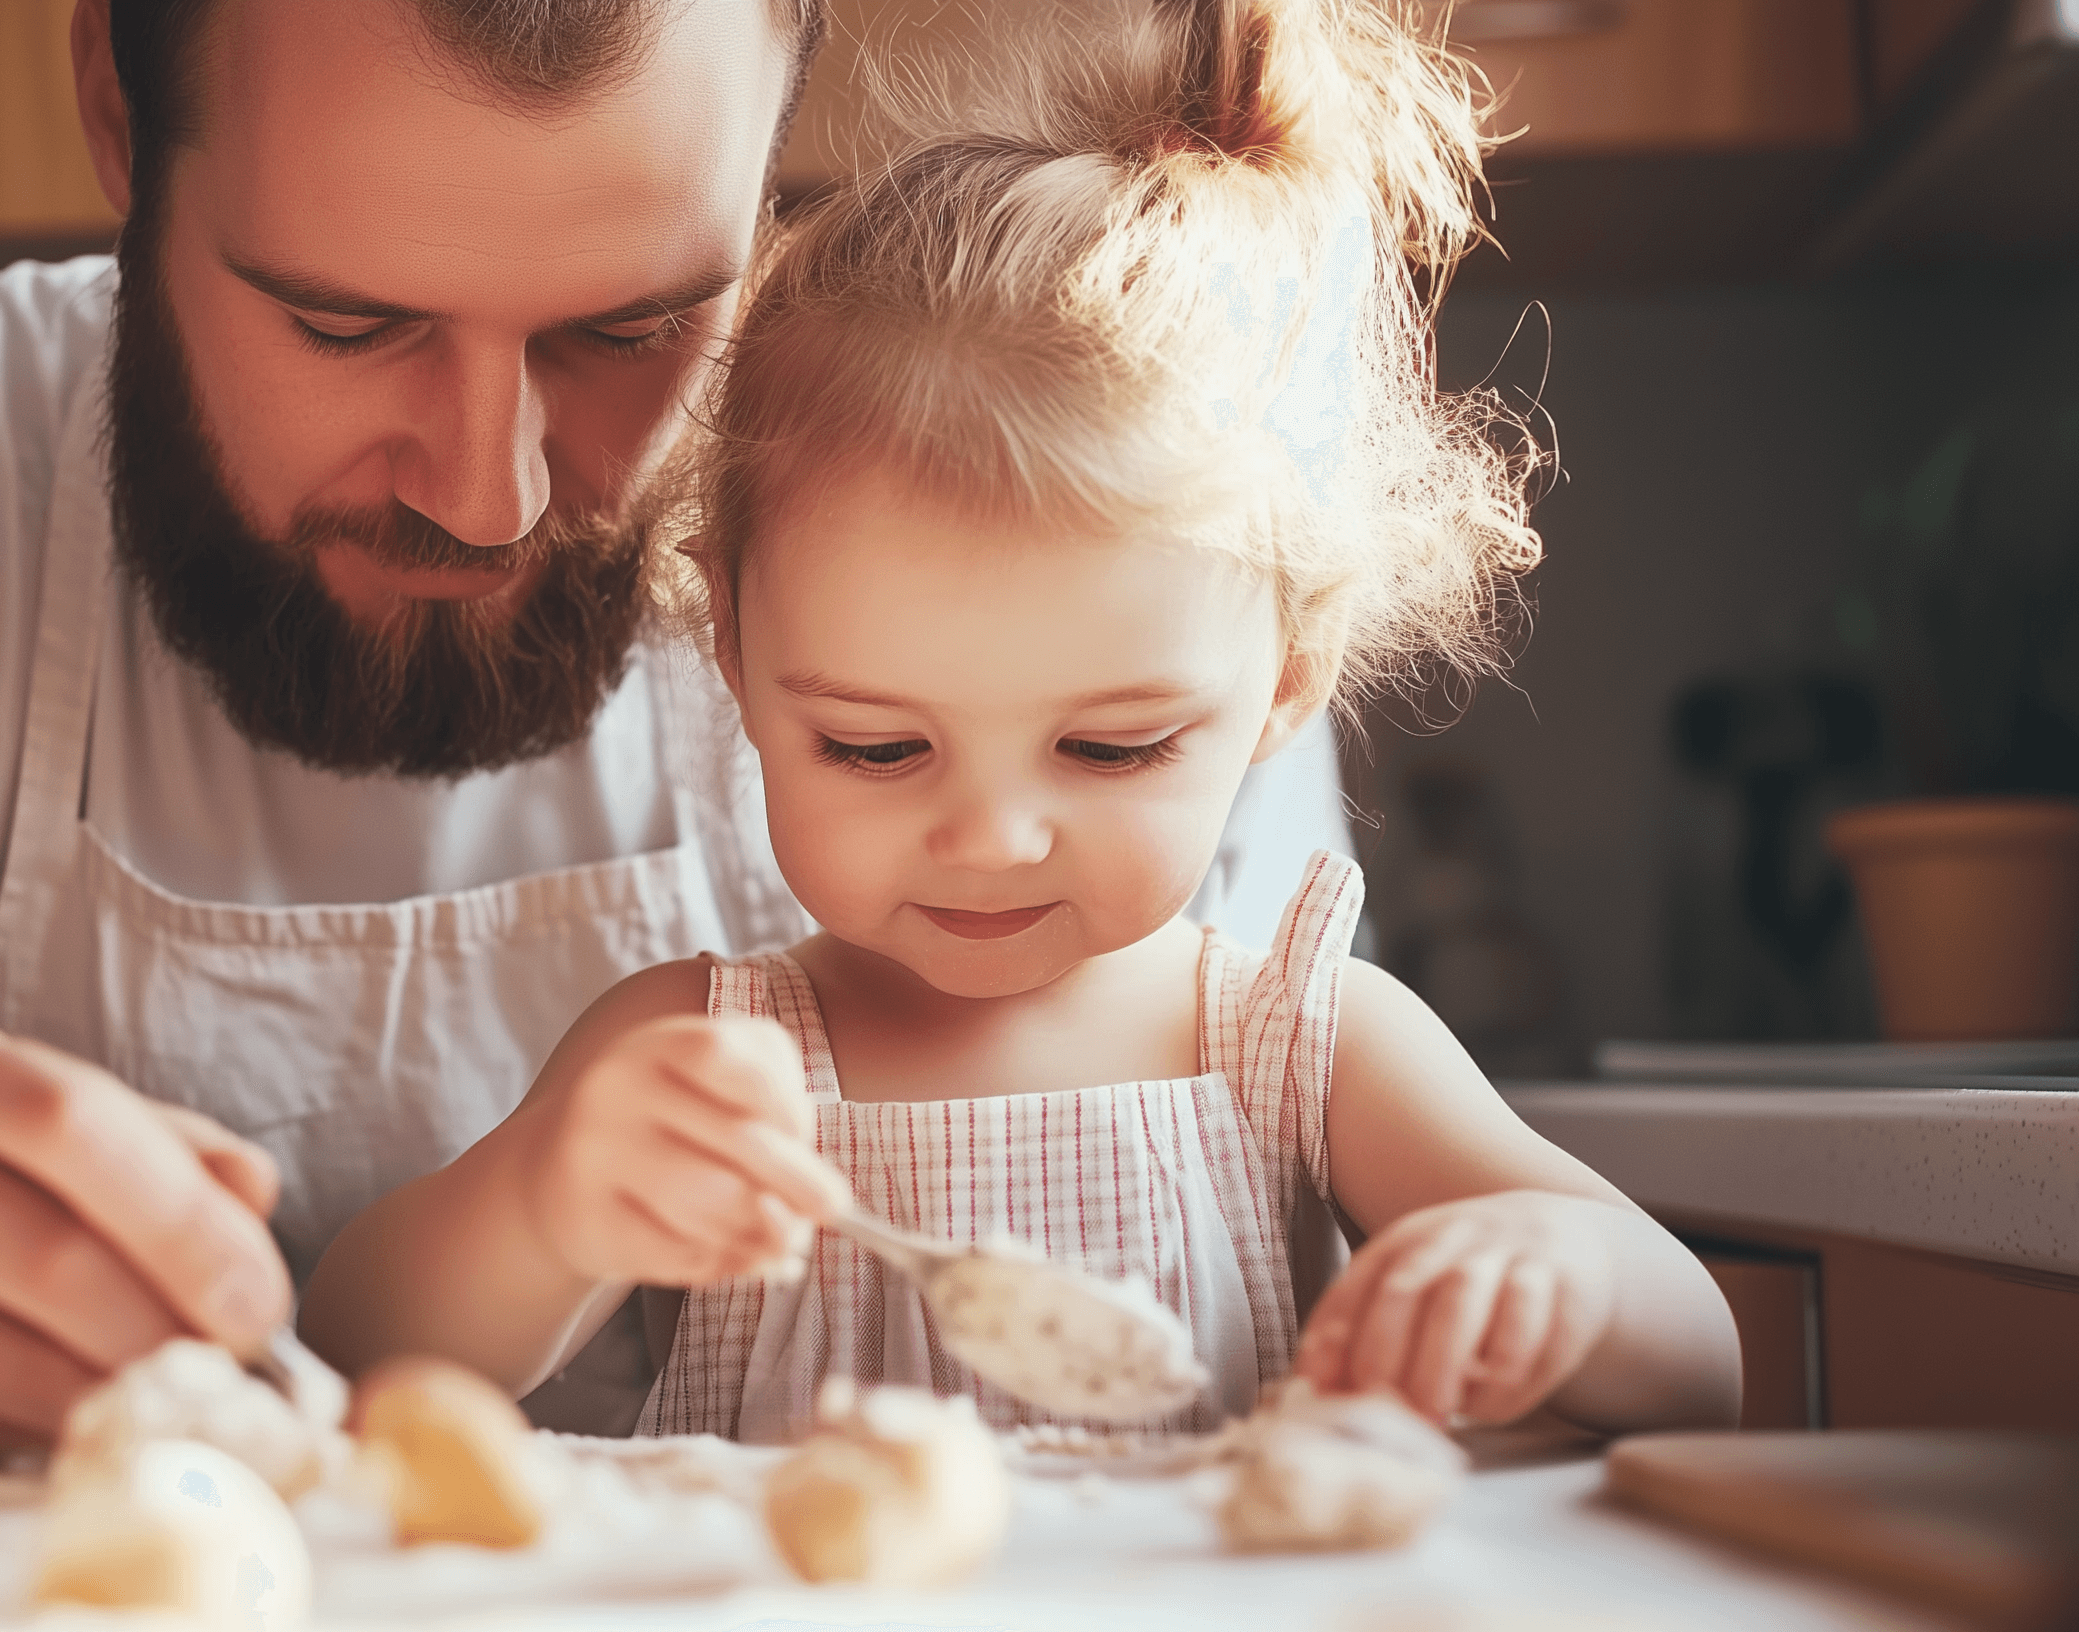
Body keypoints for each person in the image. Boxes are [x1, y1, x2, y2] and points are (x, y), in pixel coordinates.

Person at [0, 0, 1356, 1464]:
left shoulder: (1077, 523)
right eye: (344, 322)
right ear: (122, 110)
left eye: (630, 328)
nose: (488, 490)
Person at [299, 0, 1743, 1439]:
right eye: (874, 746)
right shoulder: (709, 1050)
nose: (988, 839)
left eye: (1111, 748)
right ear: (733, 654)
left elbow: (1701, 1363)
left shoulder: (1301, 1047)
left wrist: (1560, 1277)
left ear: (1287, 682)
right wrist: (548, 1203)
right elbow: (350, 1355)